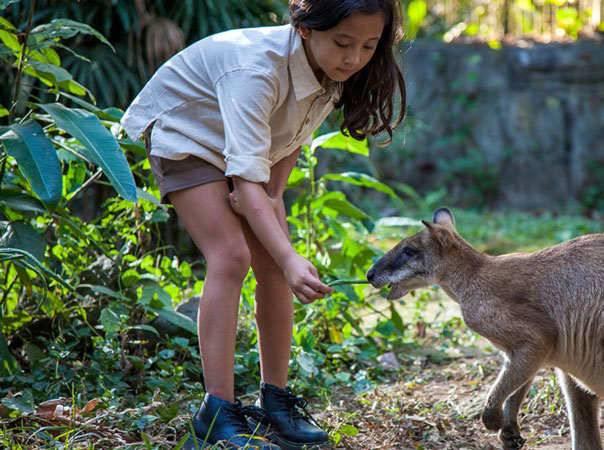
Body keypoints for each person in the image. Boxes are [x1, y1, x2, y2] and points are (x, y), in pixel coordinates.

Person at [121, 0, 406, 448]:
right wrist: (289, 252)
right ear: (307, 27)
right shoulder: (257, 70)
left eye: (370, 46)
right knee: (231, 256)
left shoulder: (329, 72)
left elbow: (280, 156)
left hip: (243, 153)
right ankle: (216, 411)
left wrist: (282, 246)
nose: (354, 58)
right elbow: (246, 182)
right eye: (344, 43)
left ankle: (275, 401)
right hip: (187, 133)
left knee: (273, 266)